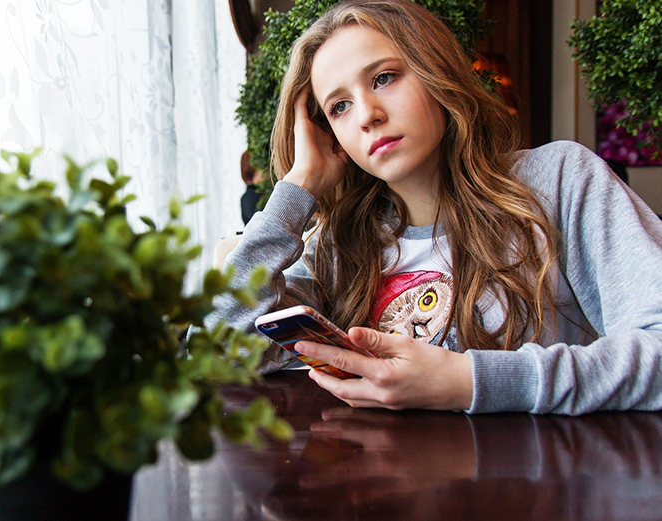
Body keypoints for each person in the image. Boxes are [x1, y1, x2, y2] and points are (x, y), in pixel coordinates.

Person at [209, 0, 662, 414]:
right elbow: (214, 357)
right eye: (340, 107)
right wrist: (297, 187)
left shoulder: (560, 181)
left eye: (384, 78)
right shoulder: (339, 241)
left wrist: (467, 382)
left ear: (435, 70)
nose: (367, 114)